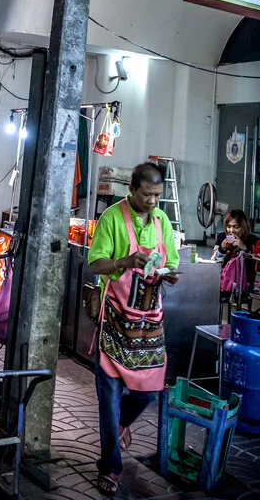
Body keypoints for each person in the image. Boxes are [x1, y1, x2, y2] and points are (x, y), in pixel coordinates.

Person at [88, 161, 179, 497]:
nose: (153, 201)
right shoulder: (113, 217)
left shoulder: (162, 221)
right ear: (132, 191)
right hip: (114, 322)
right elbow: (95, 263)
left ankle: (122, 424)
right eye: (147, 195)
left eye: (157, 195)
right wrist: (124, 262)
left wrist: (168, 272)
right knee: (109, 396)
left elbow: (171, 261)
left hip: (149, 324)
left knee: (149, 390)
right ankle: (110, 467)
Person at [213, 209, 255, 289]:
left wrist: (246, 248)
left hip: (245, 284)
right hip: (224, 283)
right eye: (228, 227)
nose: (231, 231)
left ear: (243, 226)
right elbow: (214, 263)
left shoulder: (251, 239)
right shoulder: (222, 237)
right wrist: (222, 249)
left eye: (236, 227)